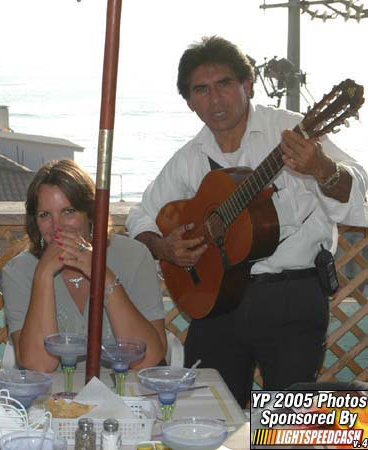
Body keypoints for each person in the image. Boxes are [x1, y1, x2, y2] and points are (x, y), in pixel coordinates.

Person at [126, 36, 368, 407]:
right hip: (215, 302)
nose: (215, 98)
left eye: (224, 84)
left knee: (286, 424)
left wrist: (323, 169)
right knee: (202, 411)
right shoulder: (190, 156)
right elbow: (141, 214)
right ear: (190, 102)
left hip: (291, 296)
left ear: (247, 85)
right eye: (201, 90)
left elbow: (360, 189)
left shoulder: (293, 131)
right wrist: (162, 247)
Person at [3, 159, 167, 372]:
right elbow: (39, 364)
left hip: (124, 396)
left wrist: (103, 276)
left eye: (68, 211)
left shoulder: (135, 256)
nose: (57, 227)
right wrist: (43, 275)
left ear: (90, 215)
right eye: (45, 215)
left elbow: (148, 359)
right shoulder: (18, 271)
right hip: (56, 402)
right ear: (35, 222)